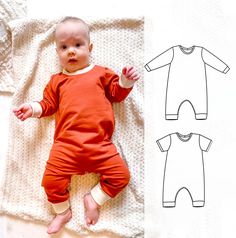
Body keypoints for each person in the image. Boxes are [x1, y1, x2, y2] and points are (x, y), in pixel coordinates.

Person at [13, 16, 140, 234]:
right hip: (66, 146)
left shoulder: (101, 73)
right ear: (57, 52)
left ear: (89, 47)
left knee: (121, 176)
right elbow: (48, 105)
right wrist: (32, 109)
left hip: (100, 145)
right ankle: (62, 212)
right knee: (50, 182)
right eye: (64, 47)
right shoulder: (57, 81)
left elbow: (117, 95)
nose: (71, 51)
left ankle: (94, 199)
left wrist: (125, 82)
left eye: (78, 45)